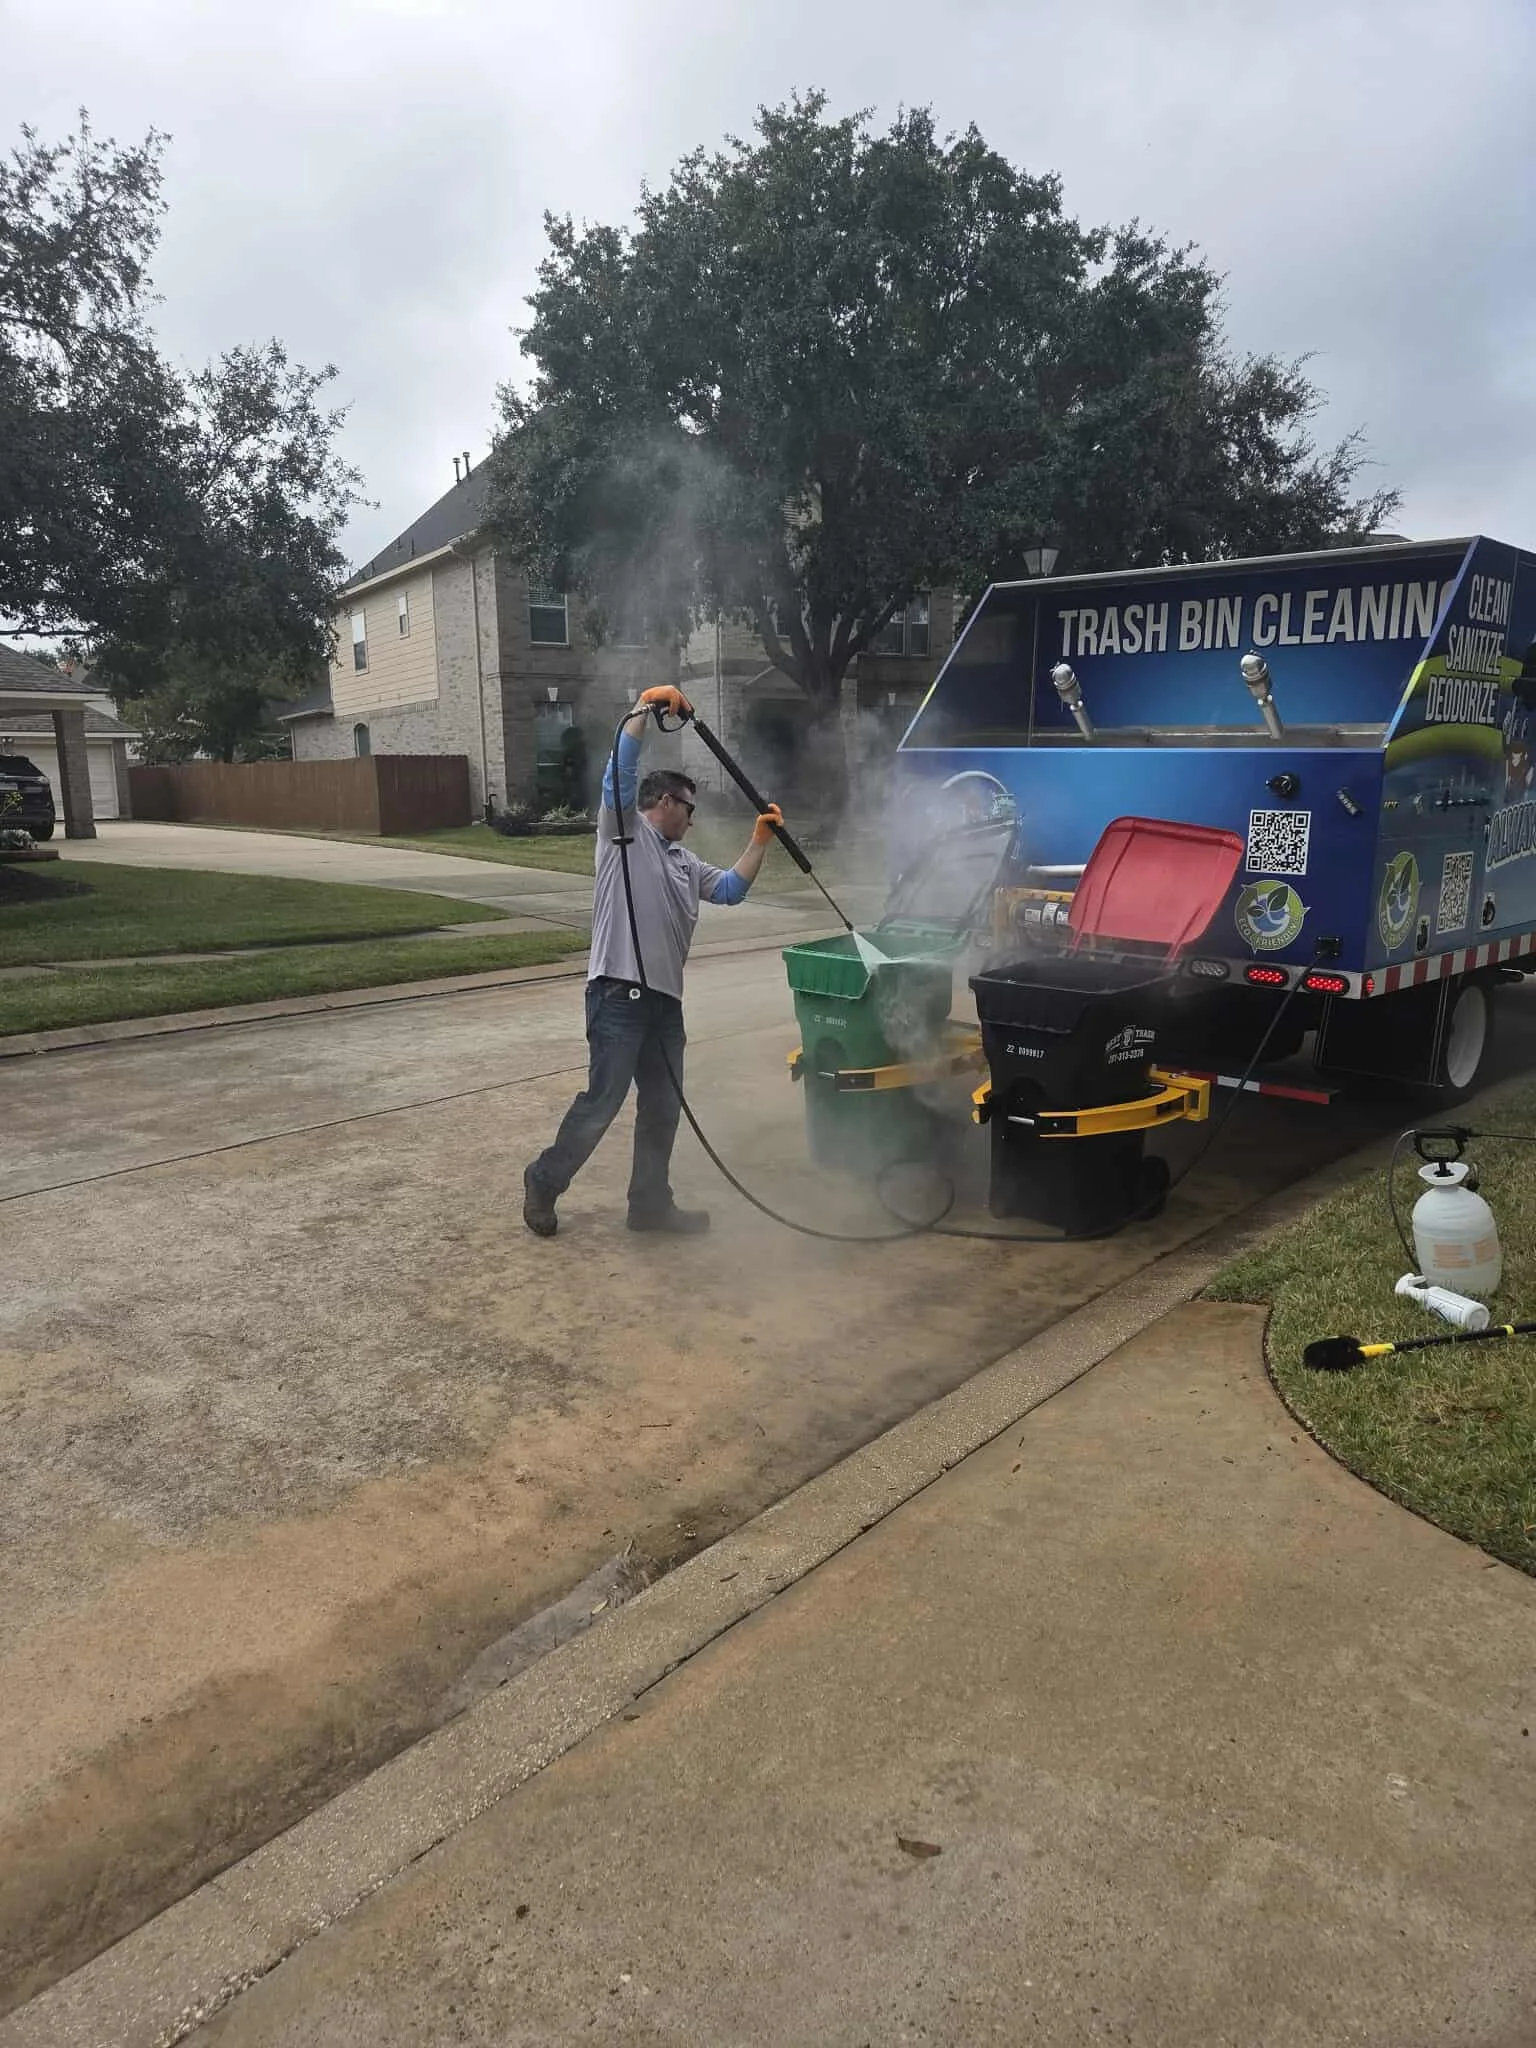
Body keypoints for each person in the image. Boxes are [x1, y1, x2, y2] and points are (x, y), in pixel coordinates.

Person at [523, 684, 782, 1237]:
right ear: (663, 803)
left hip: (665, 1004)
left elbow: (733, 889)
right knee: (603, 1102)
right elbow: (618, 773)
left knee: (663, 1108)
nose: (692, 818)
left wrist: (760, 840)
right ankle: (544, 1180)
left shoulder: (685, 861)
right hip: (618, 994)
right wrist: (644, 708)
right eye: (688, 807)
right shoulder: (624, 834)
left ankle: (649, 1206)